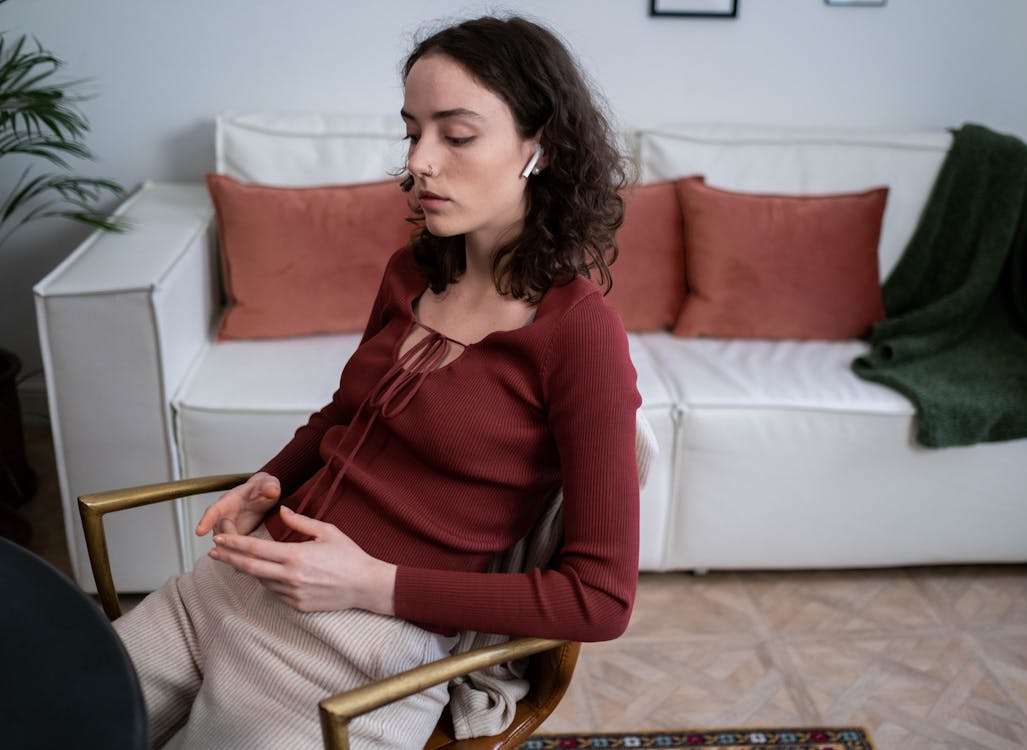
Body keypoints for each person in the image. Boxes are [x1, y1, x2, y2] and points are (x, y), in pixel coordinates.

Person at [113, 14, 641, 749]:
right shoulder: (414, 271)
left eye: (455, 136)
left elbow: (600, 599)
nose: (420, 161)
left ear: (540, 147)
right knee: (53, 706)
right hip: (230, 584)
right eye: (411, 131)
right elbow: (343, 411)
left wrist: (368, 584)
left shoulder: (576, 335)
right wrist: (270, 480)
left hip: (350, 653)